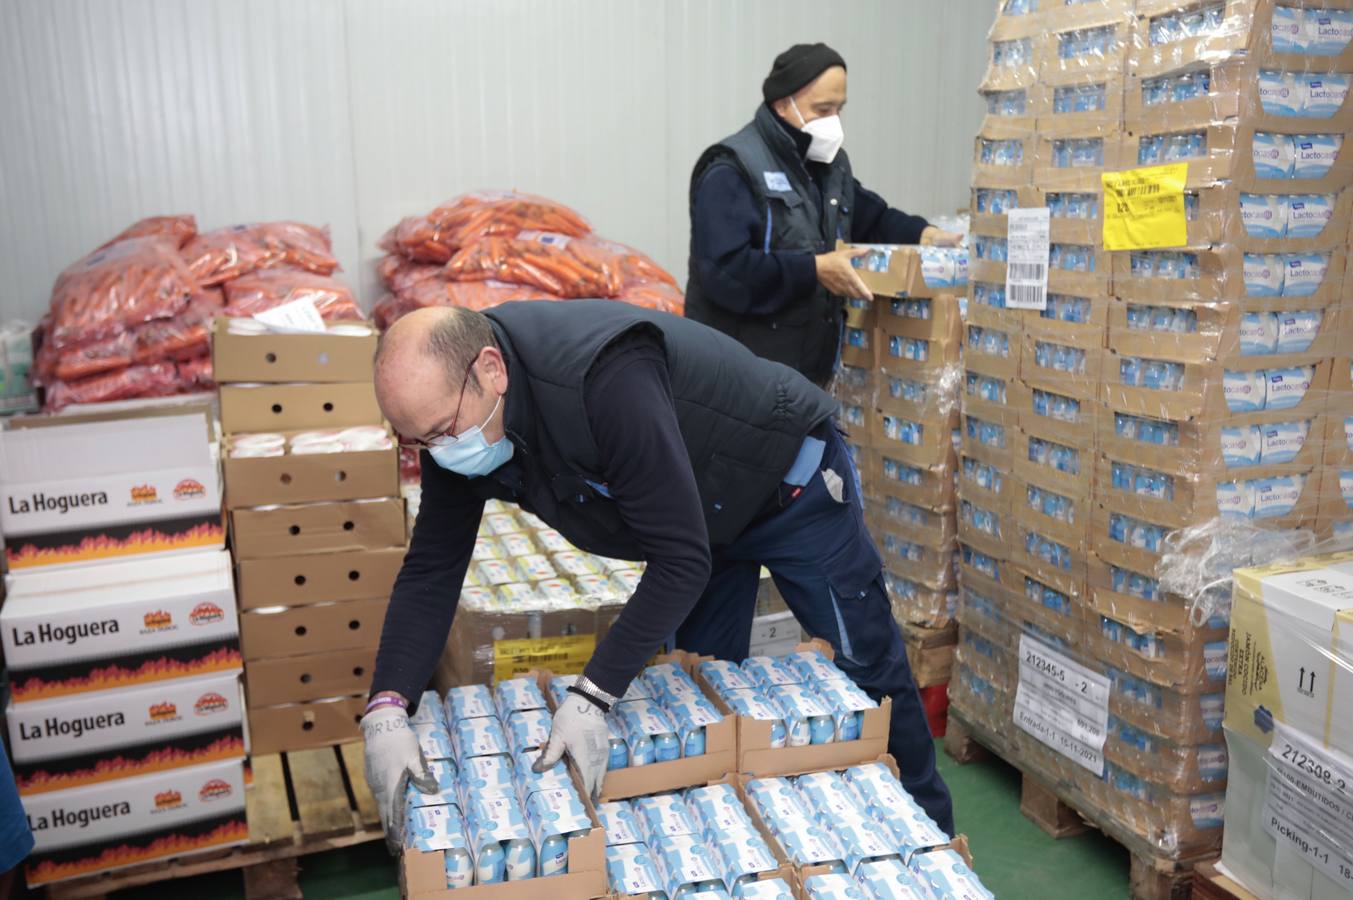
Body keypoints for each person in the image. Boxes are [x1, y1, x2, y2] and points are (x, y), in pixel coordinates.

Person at [360, 301, 953, 852]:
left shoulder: (603, 378)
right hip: (697, 514)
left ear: (491, 369)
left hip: (786, 487)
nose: (438, 452)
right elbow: (433, 568)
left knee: (867, 668)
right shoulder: (459, 422)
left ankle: (933, 842)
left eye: (441, 430)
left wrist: (592, 696)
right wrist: (388, 702)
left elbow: (679, 560)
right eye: (418, 441)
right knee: (691, 699)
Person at [685, 42, 962, 387]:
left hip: (803, 378)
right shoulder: (733, 169)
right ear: (783, 104)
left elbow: (872, 218)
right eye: (822, 109)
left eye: (839, 109)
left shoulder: (829, 166)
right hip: (739, 377)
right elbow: (725, 272)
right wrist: (814, 269)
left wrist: (927, 235)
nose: (833, 122)